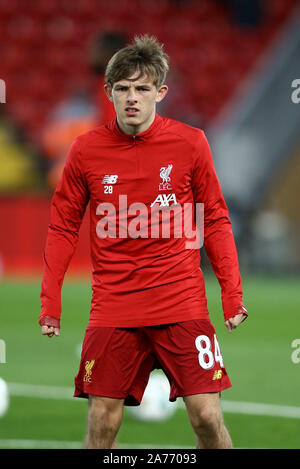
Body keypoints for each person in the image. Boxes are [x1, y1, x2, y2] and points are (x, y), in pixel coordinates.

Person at [39, 35, 248, 449]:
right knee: (102, 421)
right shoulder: (84, 151)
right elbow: (63, 226)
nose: (131, 98)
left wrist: (231, 293)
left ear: (160, 92)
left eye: (141, 88)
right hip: (114, 304)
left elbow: (217, 219)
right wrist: (51, 302)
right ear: (108, 92)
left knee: (207, 415)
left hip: (181, 301)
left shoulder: (191, 143)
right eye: (122, 88)